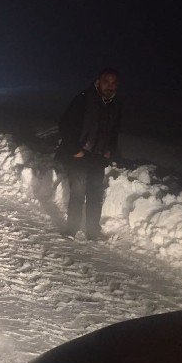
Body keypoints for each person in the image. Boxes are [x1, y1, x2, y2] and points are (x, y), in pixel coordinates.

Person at [56, 68, 122, 240]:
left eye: (114, 83)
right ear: (98, 82)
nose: (110, 86)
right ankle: (71, 230)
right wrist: (74, 150)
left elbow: (114, 131)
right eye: (107, 81)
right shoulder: (84, 99)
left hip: (98, 158)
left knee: (95, 196)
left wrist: (110, 151)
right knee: (78, 194)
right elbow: (65, 125)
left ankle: (93, 232)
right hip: (80, 156)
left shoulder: (114, 105)